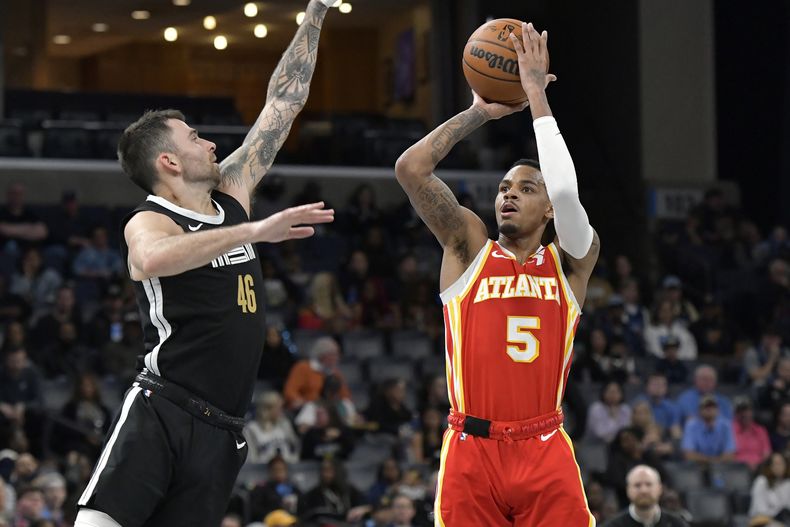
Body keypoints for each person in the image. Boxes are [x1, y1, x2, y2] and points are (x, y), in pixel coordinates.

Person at [73, 2, 339, 525]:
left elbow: (283, 102)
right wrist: (255, 232)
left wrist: (316, 12)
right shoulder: (150, 220)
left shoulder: (232, 191)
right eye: (194, 137)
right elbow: (149, 260)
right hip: (164, 408)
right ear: (167, 162)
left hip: (223, 429)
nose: (211, 141)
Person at [395, 22, 599, 525]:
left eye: (526, 189)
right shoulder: (468, 248)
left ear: (548, 209)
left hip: (544, 443)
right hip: (472, 447)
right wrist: (476, 113)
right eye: (504, 186)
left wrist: (535, 96)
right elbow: (410, 170)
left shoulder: (571, 260)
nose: (508, 193)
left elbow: (569, 194)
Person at [601, 465, 688, 526]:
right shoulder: (612, 525)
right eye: (637, 485)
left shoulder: (677, 524)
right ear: (628, 490)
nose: (643, 490)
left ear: (660, 489)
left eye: (649, 484)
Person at [681, 395, 736, 465]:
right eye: (706, 407)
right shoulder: (691, 425)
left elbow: (730, 455)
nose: (709, 409)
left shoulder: (726, 426)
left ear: (718, 410)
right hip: (697, 467)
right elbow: (688, 455)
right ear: (699, 411)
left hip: (721, 467)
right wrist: (712, 461)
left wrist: (713, 463)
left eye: (713, 407)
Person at [748, 452, 790, 526]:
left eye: (781, 463)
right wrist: (777, 515)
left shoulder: (788, 483)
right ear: (769, 466)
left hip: (784, 520)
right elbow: (760, 510)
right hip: (762, 521)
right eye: (775, 464)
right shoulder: (761, 482)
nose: (778, 467)